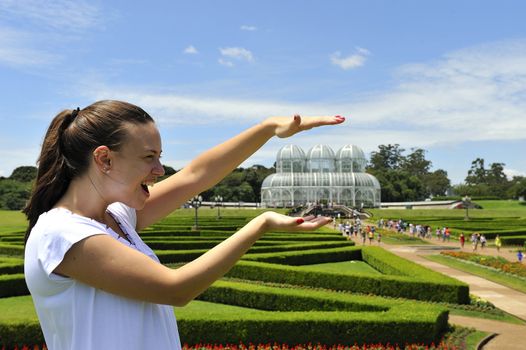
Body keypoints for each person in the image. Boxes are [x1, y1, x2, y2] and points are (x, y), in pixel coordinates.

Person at [23, 100, 344, 350]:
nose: (160, 169)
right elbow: (175, 289)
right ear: (105, 159)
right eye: (149, 157)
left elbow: (196, 175)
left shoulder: (115, 217)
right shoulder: (63, 233)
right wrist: (258, 225)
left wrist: (268, 128)